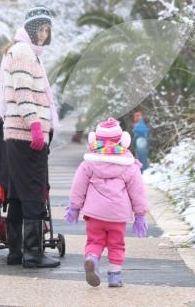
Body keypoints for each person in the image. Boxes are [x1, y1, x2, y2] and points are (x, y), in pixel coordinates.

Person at [0, 6, 60, 268]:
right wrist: (35, 125)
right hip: (26, 135)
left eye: (48, 30)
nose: (45, 34)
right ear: (32, 29)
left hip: (17, 135)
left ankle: (16, 252)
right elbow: (23, 92)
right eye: (41, 29)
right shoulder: (23, 52)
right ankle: (33, 253)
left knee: (18, 193)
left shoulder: (23, 52)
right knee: (34, 191)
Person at [64, 118, 149, 287]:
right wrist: (140, 215)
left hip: (94, 213)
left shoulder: (88, 164)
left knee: (94, 241)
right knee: (116, 245)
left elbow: (78, 187)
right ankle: (114, 276)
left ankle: (92, 259)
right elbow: (137, 192)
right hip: (117, 215)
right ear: (123, 139)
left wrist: (74, 207)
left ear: (95, 139)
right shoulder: (129, 166)